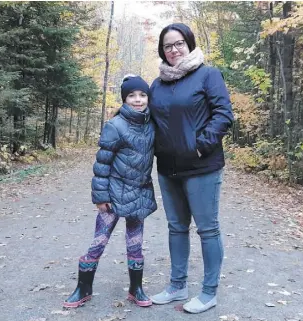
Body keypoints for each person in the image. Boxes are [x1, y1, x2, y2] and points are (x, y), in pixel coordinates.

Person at [149, 23, 234, 314]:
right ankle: (177, 285)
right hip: (167, 168)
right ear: (162, 50)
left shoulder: (207, 75)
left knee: (207, 230)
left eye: (179, 43)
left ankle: (209, 292)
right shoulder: (157, 84)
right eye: (167, 46)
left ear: (189, 43)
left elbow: (224, 114)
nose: (173, 50)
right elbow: (148, 122)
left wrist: (200, 145)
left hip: (202, 166)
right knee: (176, 228)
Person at [63, 75, 157, 309]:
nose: (138, 100)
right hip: (113, 195)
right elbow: (102, 163)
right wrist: (101, 196)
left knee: (135, 243)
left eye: (142, 95)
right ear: (124, 99)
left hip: (139, 193)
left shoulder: (152, 124)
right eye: (132, 96)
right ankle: (83, 288)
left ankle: (136, 289)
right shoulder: (115, 126)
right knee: (99, 241)